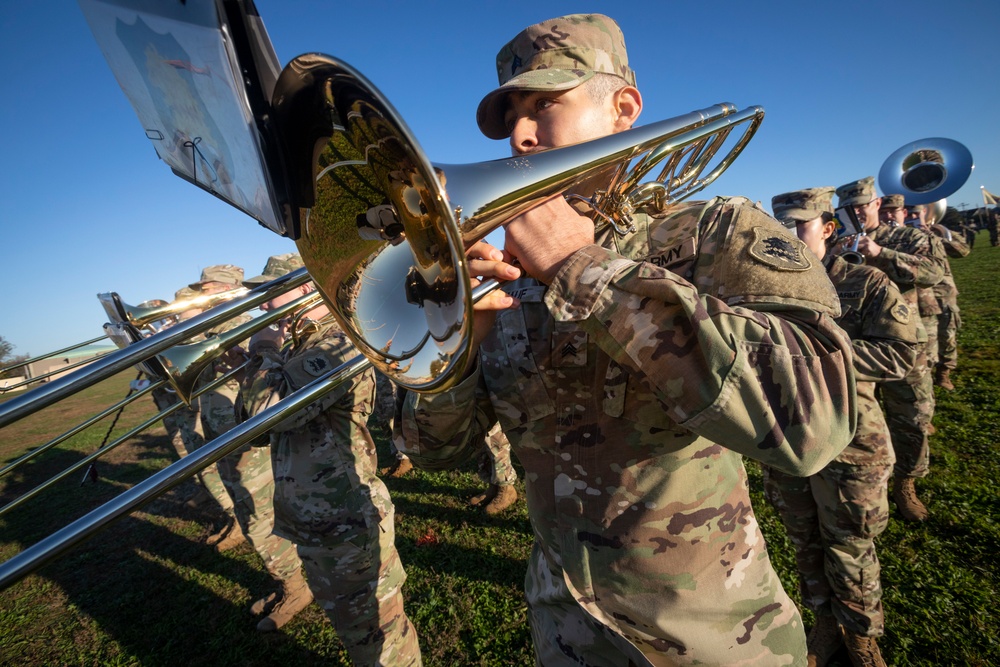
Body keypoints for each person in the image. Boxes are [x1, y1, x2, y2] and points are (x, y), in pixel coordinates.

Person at [395, 14, 857, 665]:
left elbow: (817, 424)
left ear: (622, 109)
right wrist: (455, 341)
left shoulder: (712, 235)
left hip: (716, 640)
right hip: (566, 635)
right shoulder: (509, 283)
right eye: (511, 120)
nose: (520, 135)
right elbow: (433, 452)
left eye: (544, 104)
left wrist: (585, 272)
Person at [240, 257, 421, 665]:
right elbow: (250, 428)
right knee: (356, 631)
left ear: (307, 288)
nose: (265, 307)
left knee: (379, 636)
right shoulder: (301, 346)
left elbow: (265, 413)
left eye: (272, 293)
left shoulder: (336, 341)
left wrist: (264, 348)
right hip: (317, 518)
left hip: (347, 520)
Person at [766, 187, 918, 667]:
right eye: (780, 227)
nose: (788, 237)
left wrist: (826, 353)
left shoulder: (866, 284)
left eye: (799, 226)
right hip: (787, 436)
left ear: (828, 229)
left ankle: (861, 636)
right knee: (804, 539)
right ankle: (823, 622)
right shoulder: (764, 288)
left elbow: (902, 355)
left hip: (852, 441)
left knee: (849, 543)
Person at [187, 262, 314, 632]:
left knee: (260, 517)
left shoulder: (243, 323)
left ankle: (294, 585)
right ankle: (288, 579)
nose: (200, 295)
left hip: (246, 432)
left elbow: (268, 389)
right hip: (224, 428)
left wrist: (252, 355)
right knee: (248, 511)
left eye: (206, 288)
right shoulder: (220, 324)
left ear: (226, 288)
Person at [835, 179, 946, 522]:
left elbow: (933, 273)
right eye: (849, 207)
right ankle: (866, 482)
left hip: (902, 343)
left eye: (863, 204)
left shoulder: (908, 237)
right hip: (856, 345)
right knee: (861, 423)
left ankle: (906, 483)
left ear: (877, 203)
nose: (857, 211)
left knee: (912, 414)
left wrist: (882, 254)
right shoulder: (836, 241)